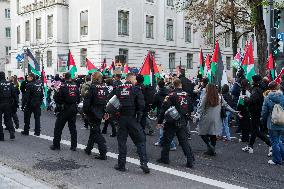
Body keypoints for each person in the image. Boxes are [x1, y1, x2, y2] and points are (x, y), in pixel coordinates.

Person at [110, 73, 150, 174]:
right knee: (140, 140)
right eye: (135, 79)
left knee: (122, 142)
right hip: (133, 119)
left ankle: (121, 164)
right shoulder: (136, 89)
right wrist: (139, 115)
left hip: (121, 119)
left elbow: (111, 102)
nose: (136, 81)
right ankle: (144, 163)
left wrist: (115, 116)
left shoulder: (118, 88)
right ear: (132, 79)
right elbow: (141, 104)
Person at [156, 79, 194, 168]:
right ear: (181, 85)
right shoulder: (187, 95)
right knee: (184, 141)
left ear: (174, 85)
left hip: (172, 121)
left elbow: (164, 108)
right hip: (183, 121)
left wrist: (159, 122)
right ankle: (190, 160)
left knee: (167, 140)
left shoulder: (171, 95)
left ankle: (164, 159)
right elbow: (191, 109)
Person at [197, 84, 238, 156]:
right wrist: (234, 111)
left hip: (206, 118)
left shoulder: (206, 97)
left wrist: (196, 115)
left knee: (202, 132)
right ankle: (212, 150)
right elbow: (226, 105)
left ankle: (209, 146)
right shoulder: (219, 97)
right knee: (213, 135)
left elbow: (200, 108)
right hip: (217, 119)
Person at [242, 75, 271, 155]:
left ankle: (270, 144)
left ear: (255, 81)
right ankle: (250, 146)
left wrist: (246, 99)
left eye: (252, 80)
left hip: (255, 111)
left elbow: (253, 100)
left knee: (255, 130)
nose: (251, 82)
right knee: (254, 130)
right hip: (258, 111)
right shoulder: (261, 88)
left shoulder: (255, 89)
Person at [50, 73, 80, 151]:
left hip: (64, 109)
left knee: (58, 128)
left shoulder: (62, 86)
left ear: (64, 77)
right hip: (73, 108)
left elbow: (57, 98)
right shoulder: (75, 86)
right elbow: (79, 98)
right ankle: (74, 146)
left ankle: (56, 145)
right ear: (70, 77)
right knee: (73, 128)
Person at [83, 72, 109, 160]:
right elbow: (106, 101)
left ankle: (103, 152)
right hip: (100, 112)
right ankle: (88, 149)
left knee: (96, 132)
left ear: (93, 78)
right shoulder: (105, 88)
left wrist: (85, 112)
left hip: (92, 113)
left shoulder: (92, 88)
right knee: (94, 130)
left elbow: (86, 103)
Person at [261, 81, 284, 165]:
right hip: (282, 121)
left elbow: (264, 112)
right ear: (277, 87)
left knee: (274, 141)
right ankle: (282, 156)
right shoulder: (282, 97)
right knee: (279, 140)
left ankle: (277, 160)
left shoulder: (267, 98)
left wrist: (262, 120)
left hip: (272, 122)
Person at [152, 79, 176, 150]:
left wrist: (152, 108)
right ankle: (160, 141)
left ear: (158, 86)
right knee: (165, 128)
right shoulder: (169, 92)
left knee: (163, 129)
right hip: (170, 112)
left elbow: (154, 104)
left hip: (161, 112)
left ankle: (172, 145)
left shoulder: (157, 94)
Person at [0, 72, 18, 141]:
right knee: (8, 119)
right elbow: (14, 95)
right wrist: (16, 104)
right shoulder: (9, 84)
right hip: (8, 104)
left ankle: (1, 137)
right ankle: (11, 132)